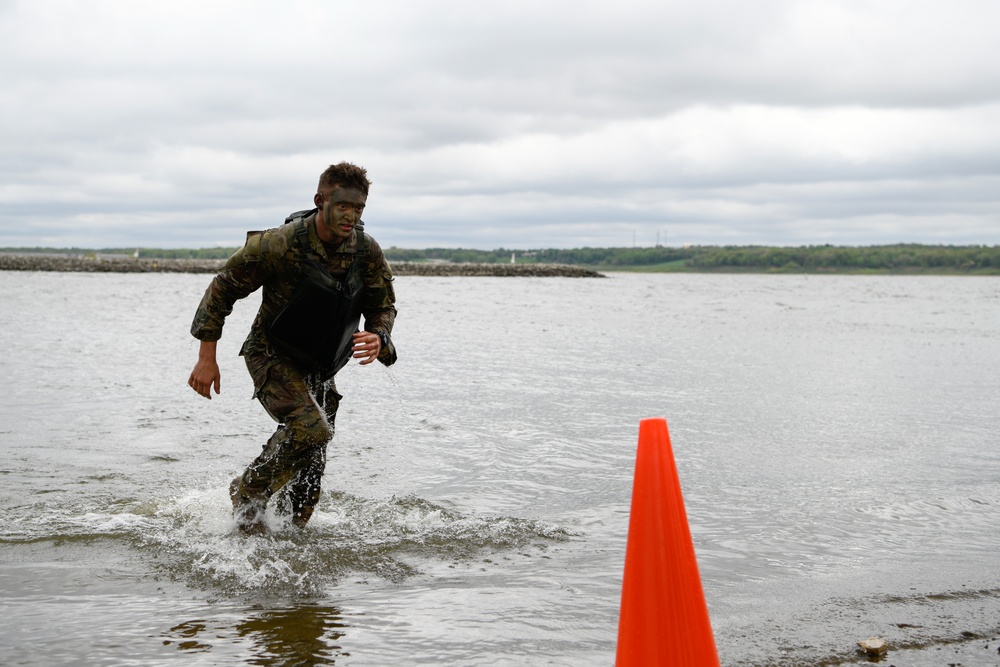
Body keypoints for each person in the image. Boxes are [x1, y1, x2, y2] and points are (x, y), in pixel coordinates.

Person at [187, 162, 397, 534]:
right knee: (312, 429)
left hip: (321, 364)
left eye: (359, 208)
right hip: (271, 352)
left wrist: (379, 335)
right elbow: (222, 289)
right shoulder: (279, 243)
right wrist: (207, 358)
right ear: (320, 201)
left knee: (310, 472)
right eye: (343, 206)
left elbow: (383, 305)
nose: (351, 216)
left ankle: (289, 539)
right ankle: (248, 491)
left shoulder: (366, 251)